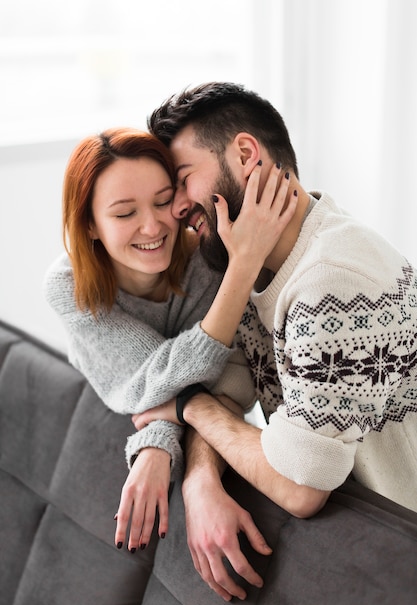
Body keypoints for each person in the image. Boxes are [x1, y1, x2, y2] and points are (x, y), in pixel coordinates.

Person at [131, 81, 417, 600]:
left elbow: (301, 487)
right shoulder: (251, 267)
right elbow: (226, 390)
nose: (174, 210)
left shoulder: (334, 278)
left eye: (182, 180)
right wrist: (199, 483)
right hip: (359, 549)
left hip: (400, 559)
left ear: (245, 154)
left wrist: (190, 406)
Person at [43, 127, 296, 557]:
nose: (153, 225)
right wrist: (161, 437)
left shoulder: (206, 260)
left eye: (163, 202)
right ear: (89, 224)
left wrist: (166, 433)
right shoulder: (70, 287)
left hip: (204, 423)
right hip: (108, 423)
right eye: (125, 214)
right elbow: (151, 379)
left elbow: (224, 376)